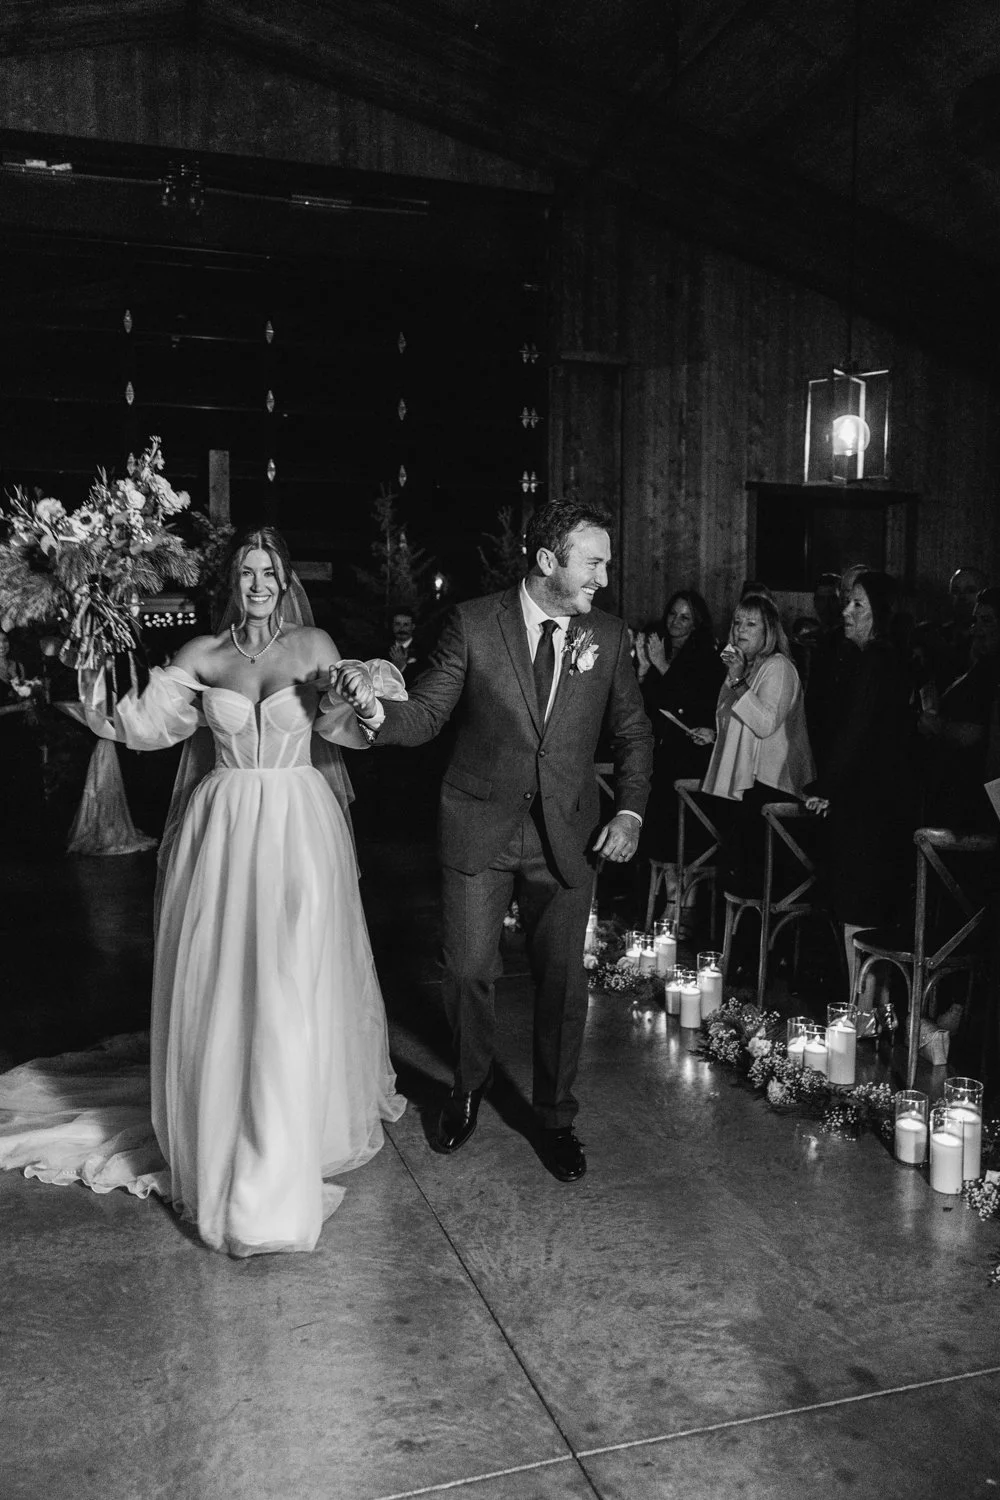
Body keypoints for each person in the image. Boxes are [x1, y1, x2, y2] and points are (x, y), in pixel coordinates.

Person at [0, 526, 406, 1257]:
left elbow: (346, 724)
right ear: (232, 583)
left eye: (269, 572)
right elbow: (141, 724)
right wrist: (82, 665)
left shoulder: (312, 644)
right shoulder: (203, 655)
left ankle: (285, 1132)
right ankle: (228, 1117)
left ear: (285, 581)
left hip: (300, 828)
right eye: (247, 572)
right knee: (228, 973)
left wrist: (360, 693)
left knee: (293, 972)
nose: (258, 585)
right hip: (223, 831)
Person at [333, 499, 652, 1183]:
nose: (603, 577)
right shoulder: (475, 624)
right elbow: (425, 715)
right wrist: (373, 709)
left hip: (569, 837)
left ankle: (556, 1117)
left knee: (562, 984)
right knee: (468, 970)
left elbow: (633, 732)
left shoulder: (608, 635)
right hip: (480, 828)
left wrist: (628, 814)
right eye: (593, 563)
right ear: (548, 561)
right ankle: (469, 1085)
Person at [805, 570, 916, 1013]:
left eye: (857, 604)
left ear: (879, 614)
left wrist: (827, 786)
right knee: (868, 904)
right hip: (880, 798)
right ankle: (872, 1007)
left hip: (867, 801)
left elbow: (856, 729)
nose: (845, 611)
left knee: (857, 904)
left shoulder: (876, 660)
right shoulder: (886, 659)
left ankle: (861, 1010)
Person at [700, 592, 815, 896]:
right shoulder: (743, 668)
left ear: (769, 631)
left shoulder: (778, 667)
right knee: (737, 875)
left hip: (772, 785)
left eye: (751, 624)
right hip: (746, 784)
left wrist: (738, 682)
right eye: (737, 622)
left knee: (756, 879)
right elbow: (735, 722)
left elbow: (765, 724)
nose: (740, 629)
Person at [633, 590, 722, 927]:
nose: (675, 622)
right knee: (661, 831)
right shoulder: (662, 650)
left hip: (692, 754)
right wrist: (645, 670)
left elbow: (692, 702)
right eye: (672, 614)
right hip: (663, 751)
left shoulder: (706, 657)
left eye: (685, 617)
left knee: (683, 832)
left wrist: (661, 666)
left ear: (696, 622)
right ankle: (671, 900)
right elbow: (648, 707)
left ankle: (686, 905)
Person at [918, 586, 1000, 829]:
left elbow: (977, 734)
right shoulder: (983, 664)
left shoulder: (992, 671)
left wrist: (937, 725)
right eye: (976, 621)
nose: (977, 629)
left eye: (987, 620)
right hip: (955, 795)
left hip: (974, 803)